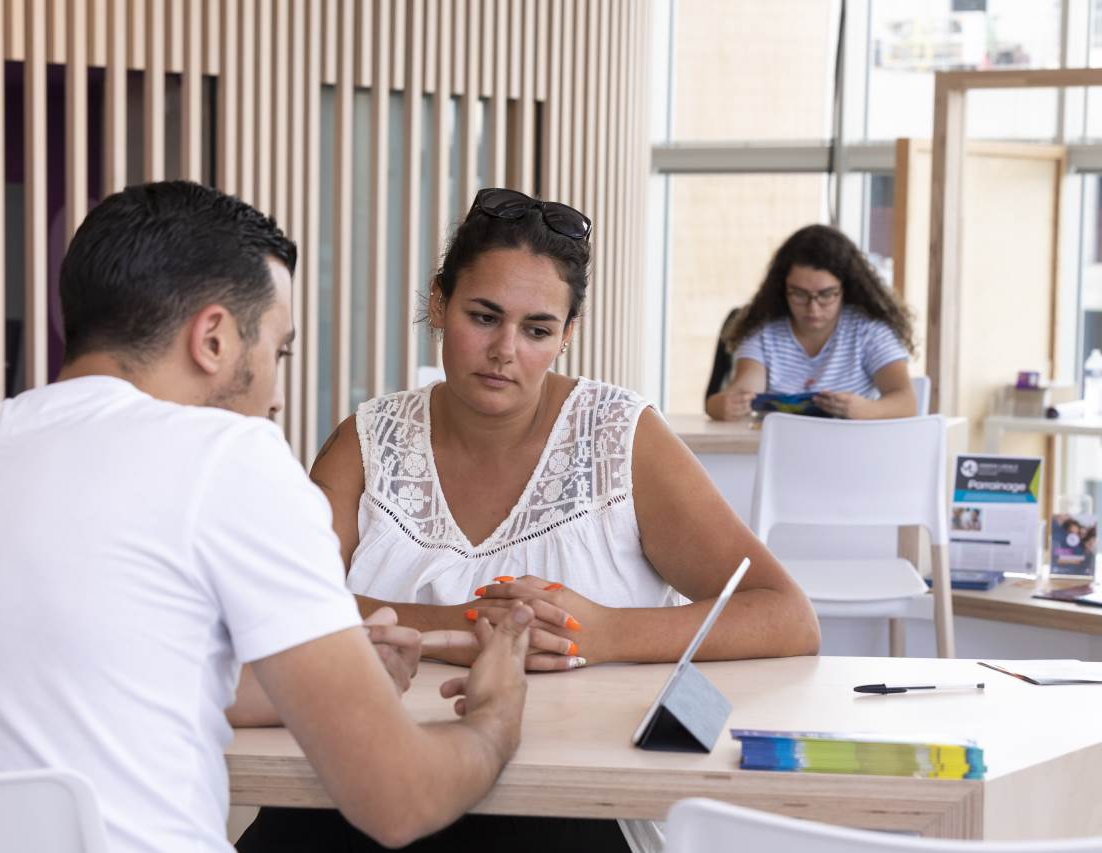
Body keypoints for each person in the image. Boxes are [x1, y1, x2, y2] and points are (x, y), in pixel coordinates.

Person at [0, 181, 533, 853]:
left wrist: (331, 682)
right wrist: (496, 720)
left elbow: (100, 671)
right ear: (213, 338)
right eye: (277, 349)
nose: (275, 392)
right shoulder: (229, 457)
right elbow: (399, 798)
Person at [278, 187, 819, 852]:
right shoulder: (369, 438)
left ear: (567, 335)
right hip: (366, 775)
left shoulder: (620, 436)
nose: (506, 349)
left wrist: (604, 633)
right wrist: (472, 627)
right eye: (484, 316)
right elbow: (289, 601)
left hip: (566, 805)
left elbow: (787, 614)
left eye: (536, 329)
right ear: (439, 303)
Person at [705, 224, 918, 421]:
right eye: (799, 294)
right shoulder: (763, 330)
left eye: (826, 294)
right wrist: (723, 405)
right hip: (783, 453)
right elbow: (743, 391)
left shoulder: (869, 330)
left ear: (846, 288)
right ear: (782, 289)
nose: (812, 308)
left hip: (853, 451)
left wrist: (865, 410)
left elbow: (906, 402)